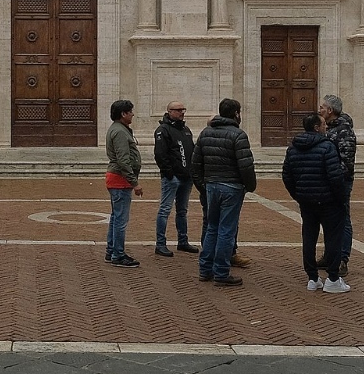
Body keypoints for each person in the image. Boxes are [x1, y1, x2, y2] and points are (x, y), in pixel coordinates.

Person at [281, 113, 350, 294]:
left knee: (309, 238)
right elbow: (335, 177)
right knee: (333, 238)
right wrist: (341, 198)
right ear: (317, 128)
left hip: (306, 201)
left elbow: (287, 176)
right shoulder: (327, 147)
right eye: (323, 125)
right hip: (328, 201)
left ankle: (312, 278)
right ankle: (333, 279)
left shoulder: (293, 148)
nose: (326, 127)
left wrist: (298, 195)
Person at [193, 98, 256, 287]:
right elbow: (246, 165)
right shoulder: (238, 135)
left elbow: (196, 163)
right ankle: (221, 271)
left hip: (211, 186)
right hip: (231, 187)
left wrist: (202, 186)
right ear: (236, 113)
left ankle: (205, 269)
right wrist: (250, 186)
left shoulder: (205, 133)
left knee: (212, 227)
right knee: (226, 230)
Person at [317, 95, 358, 278]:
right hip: (327, 181)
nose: (319, 110)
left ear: (330, 111)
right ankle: (329, 255)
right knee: (328, 219)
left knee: (342, 219)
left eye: (322, 107)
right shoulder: (326, 129)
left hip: (340, 182)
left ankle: (342, 258)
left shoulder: (344, 131)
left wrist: (334, 179)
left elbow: (346, 161)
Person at [152, 101, 196, 257]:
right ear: (169, 111)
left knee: (182, 211)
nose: (182, 112)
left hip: (186, 177)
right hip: (172, 178)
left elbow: (191, 150)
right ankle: (160, 244)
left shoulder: (185, 130)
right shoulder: (163, 130)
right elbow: (160, 154)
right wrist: (169, 173)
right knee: (165, 210)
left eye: (183, 109)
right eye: (178, 110)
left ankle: (183, 241)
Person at [104, 99, 142, 267]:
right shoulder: (120, 132)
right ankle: (118, 254)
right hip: (120, 179)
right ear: (123, 114)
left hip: (118, 178)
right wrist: (135, 182)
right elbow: (123, 159)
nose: (133, 114)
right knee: (120, 219)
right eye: (130, 112)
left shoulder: (120, 129)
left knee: (116, 217)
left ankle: (112, 250)